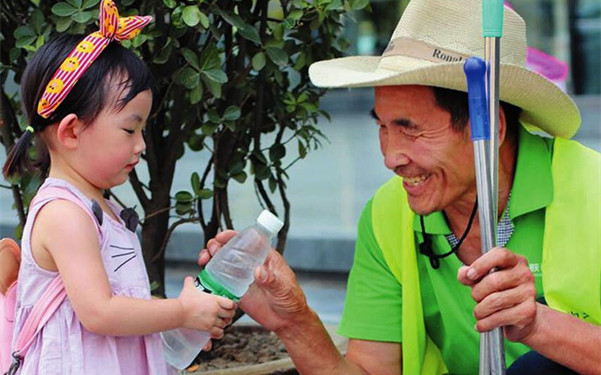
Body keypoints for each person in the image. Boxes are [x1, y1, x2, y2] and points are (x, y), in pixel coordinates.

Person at [199, 0, 601, 374]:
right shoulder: (389, 214)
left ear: (489, 127)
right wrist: (293, 319)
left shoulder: (592, 188)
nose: (391, 157)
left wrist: (536, 324)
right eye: (383, 127)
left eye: (411, 130)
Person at [2, 1, 236, 374]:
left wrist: (176, 321)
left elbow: (120, 304)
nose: (141, 145)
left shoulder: (98, 204)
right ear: (72, 131)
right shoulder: (64, 213)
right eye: (130, 129)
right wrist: (181, 310)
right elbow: (100, 312)